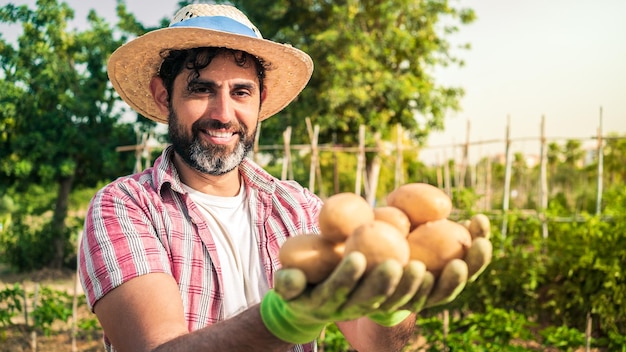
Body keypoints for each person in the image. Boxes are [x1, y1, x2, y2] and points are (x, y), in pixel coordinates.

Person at [78, 4, 492, 352]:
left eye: (241, 92)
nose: (223, 114)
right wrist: (284, 320)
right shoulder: (126, 206)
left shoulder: (299, 209)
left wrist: (392, 304)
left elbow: (374, 343)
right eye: (202, 89)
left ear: (259, 102)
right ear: (164, 95)